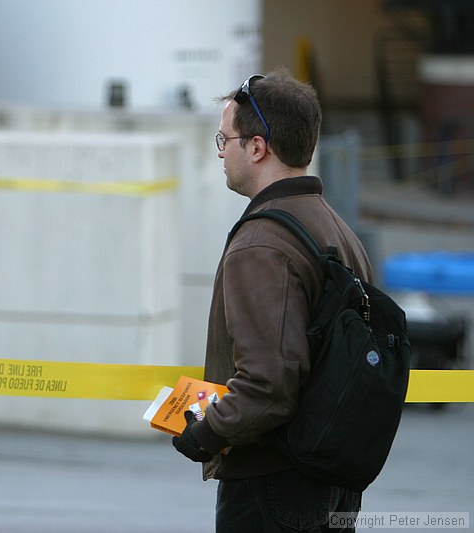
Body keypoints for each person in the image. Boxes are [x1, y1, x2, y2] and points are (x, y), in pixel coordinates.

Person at [171, 68, 368, 532]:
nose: (221, 155)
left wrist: (205, 433)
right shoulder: (336, 228)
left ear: (256, 148)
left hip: (272, 484)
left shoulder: (262, 241)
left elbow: (268, 387)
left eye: (225, 141)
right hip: (331, 477)